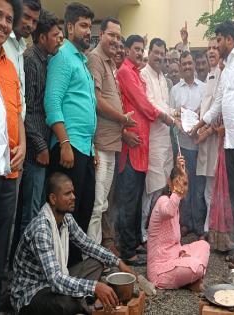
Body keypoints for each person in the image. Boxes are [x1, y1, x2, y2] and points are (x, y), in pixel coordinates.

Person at [11, 172, 136, 315]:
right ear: (53, 199)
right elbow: (55, 279)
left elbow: (88, 245)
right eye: (67, 194)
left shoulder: (66, 219)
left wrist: (118, 262)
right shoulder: (41, 230)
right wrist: (95, 287)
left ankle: (81, 301)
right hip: (33, 294)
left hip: (55, 282)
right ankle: (82, 302)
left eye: (73, 192)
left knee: (96, 263)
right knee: (65, 305)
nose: (73, 197)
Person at [193, 21, 234, 258]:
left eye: (219, 40)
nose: (215, 45)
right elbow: (219, 102)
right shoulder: (226, 66)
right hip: (230, 140)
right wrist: (201, 123)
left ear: (229, 40)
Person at [44, 2, 96, 265]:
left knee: (84, 210)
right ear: (70, 26)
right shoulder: (63, 57)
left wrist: (92, 150)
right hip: (68, 147)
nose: (88, 31)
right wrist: (64, 141)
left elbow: (87, 108)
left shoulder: (81, 61)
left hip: (84, 149)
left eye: (90, 26)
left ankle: (76, 270)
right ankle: (61, 272)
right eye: (83, 26)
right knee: (65, 215)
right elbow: (52, 102)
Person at [115, 34, 173, 266]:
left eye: (141, 50)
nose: (139, 53)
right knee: (129, 199)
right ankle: (127, 250)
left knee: (137, 197)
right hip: (131, 146)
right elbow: (143, 104)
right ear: (128, 50)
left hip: (143, 145)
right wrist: (164, 117)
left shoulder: (137, 74)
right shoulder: (126, 73)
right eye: (136, 49)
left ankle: (136, 242)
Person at [87, 17, 135, 247]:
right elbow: (96, 100)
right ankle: (90, 256)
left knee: (102, 203)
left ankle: (96, 254)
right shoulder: (95, 58)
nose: (115, 40)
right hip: (101, 144)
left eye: (118, 36)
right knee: (96, 204)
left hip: (112, 143)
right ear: (101, 34)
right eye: (112, 35)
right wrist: (122, 119)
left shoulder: (110, 64)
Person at [0, 0, 25, 312]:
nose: (3, 23)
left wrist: (24, 145)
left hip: (10, 171)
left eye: (8, 19)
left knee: (2, 240)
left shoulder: (10, 66)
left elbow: (18, 111)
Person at [19, 10, 61, 234]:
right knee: (31, 211)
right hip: (34, 151)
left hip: (42, 147)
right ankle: (23, 265)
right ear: (42, 37)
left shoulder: (48, 61)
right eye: (55, 35)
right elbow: (27, 110)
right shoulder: (31, 61)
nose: (59, 40)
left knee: (38, 208)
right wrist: (41, 146)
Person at [147, 156, 210, 291]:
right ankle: (192, 278)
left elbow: (175, 242)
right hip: (160, 270)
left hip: (176, 257)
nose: (183, 187)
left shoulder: (176, 202)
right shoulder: (163, 201)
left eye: (185, 184)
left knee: (203, 245)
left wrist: (181, 251)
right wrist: (177, 190)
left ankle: (190, 277)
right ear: (169, 183)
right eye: (178, 183)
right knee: (197, 267)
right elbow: (168, 211)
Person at [140, 37, 175, 245]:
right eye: (156, 52)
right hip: (153, 139)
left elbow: (164, 104)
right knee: (151, 187)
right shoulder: (143, 75)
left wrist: (175, 114)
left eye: (162, 53)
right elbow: (150, 104)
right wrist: (169, 116)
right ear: (149, 52)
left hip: (166, 139)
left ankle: (151, 229)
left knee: (162, 185)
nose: (159, 57)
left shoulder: (163, 77)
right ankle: (142, 230)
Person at [170, 51, 206, 238]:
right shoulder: (175, 90)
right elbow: (170, 115)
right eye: (183, 64)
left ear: (194, 64)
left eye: (189, 63)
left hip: (200, 145)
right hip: (182, 145)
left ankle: (199, 226)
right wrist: (178, 122)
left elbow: (207, 113)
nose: (187, 67)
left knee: (199, 188)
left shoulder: (204, 87)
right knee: (183, 185)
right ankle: (185, 223)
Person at [196, 37, 221, 235]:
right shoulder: (211, 74)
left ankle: (211, 226)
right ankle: (208, 224)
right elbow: (206, 105)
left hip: (215, 138)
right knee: (207, 186)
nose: (212, 51)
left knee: (213, 187)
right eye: (209, 48)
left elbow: (220, 110)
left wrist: (208, 130)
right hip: (204, 136)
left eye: (215, 47)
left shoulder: (223, 73)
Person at [3, 0, 40, 120]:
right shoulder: (1, 43)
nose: (30, 24)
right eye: (26, 17)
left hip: (16, 128)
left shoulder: (23, 47)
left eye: (34, 21)